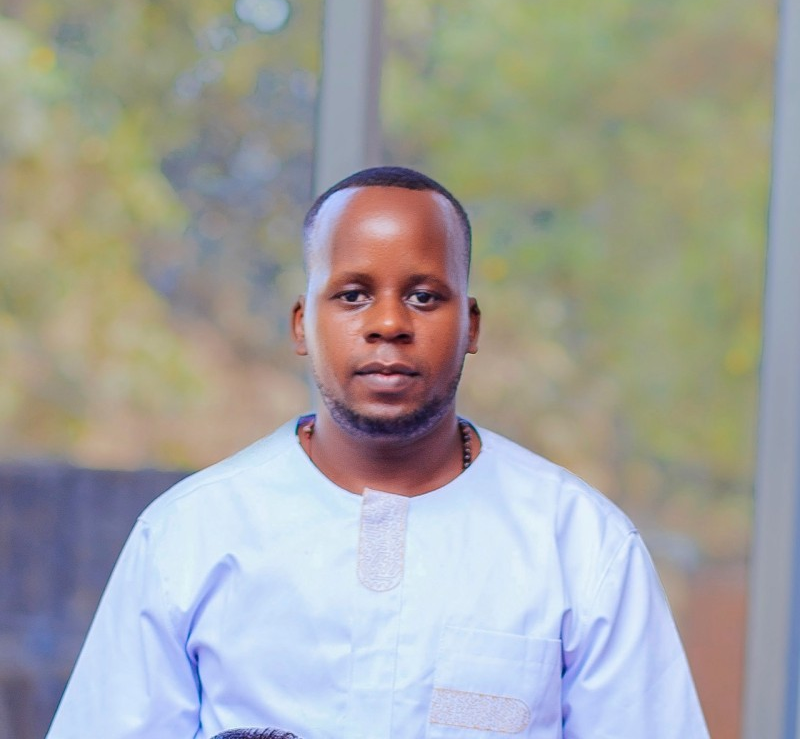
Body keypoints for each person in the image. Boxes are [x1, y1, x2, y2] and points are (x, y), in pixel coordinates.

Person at [45, 166, 709, 738]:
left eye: (424, 296)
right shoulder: (190, 534)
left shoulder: (581, 547)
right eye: (353, 295)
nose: (389, 323)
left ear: (470, 325)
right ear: (302, 324)